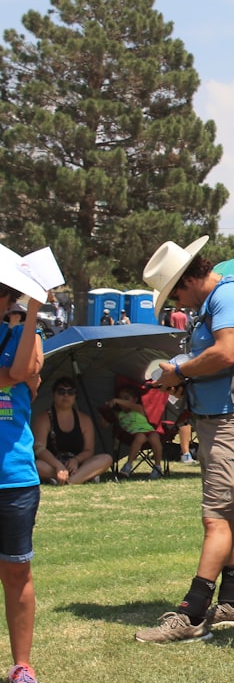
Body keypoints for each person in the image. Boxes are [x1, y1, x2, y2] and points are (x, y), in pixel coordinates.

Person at [135, 236, 234, 643]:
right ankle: (233, 602)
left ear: (186, 280)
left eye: (175, 294)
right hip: (224, 417)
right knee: (232, 511)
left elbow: (226, 353)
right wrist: (183, 378)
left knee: (216, 516)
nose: (179, 303)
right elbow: (220, 359)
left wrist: (181, 373)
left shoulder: (227, 297)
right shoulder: (218, 300)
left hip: (233, 419)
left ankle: (192, 614)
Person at [0, 282, 44, 683]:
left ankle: (21, 666)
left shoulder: (25, 335)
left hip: (14, 478)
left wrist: (32, 313)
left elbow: (26, 371)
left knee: (16, 572)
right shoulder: (21, 337)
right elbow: (17, 374)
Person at [33, 377, 112, 485]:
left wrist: (76, 460)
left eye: (71, 392)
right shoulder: (44, 418)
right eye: (61, 391)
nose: (66, 395)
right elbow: (39, 448)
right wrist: (58, 466)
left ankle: (70, 480)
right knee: (35, 465)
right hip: (52, 464)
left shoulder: (84, 419)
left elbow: (89, 450)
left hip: (77, 465)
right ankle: (79, 477)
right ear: (54, 394)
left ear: (75, 396)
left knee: (106, 458)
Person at [110, 385, 165, 480]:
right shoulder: (119, 414)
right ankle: (128, 464)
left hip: (148, 430)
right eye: (120, 399)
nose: (123, 401)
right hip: (131, 435)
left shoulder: (138, 408)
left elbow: (130, 405)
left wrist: (116, 400)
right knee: (141, 437)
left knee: (155, 437)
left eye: (126, 398)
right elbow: (104, 423)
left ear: (135, 399)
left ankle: (157, 467)